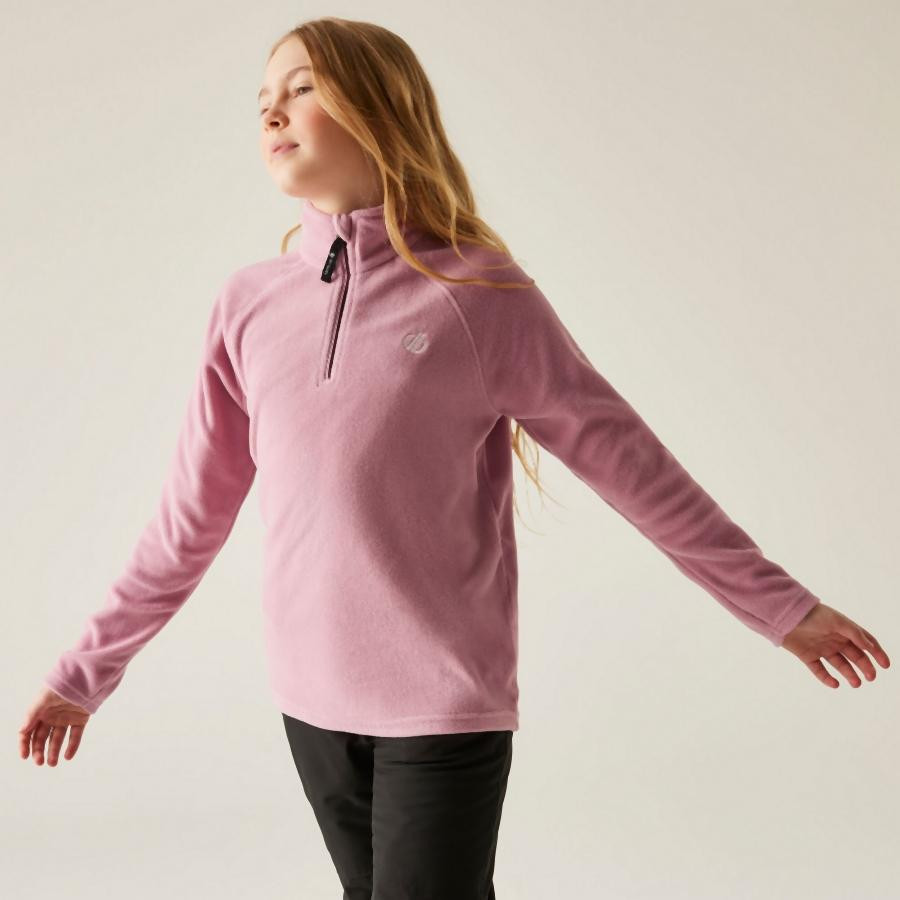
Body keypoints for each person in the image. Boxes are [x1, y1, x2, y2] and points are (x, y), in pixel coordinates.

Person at [20, 16, 890, 900]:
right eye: (263, 100)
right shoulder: (248, 305)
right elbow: (188, 521)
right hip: (310, 702)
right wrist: (84, 676)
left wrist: (780, 607)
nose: (273, 113)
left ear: (379, 107)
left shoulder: (477, 294)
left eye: (302, 88)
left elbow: (631, 464)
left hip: (442, 702)